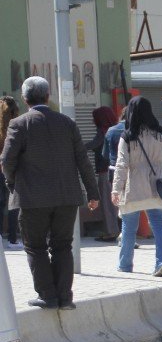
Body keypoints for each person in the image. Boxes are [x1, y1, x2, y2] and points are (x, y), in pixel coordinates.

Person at [1, 76, 99, 310]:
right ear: (48, 96)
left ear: (25, 99)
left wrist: (12, 184)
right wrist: (93, 193)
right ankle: (65, 297)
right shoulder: (67, 123)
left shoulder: (19, 124)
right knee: (63, 245)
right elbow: (83, 161)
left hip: (32, 198)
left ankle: (48, 296)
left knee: (35, 246)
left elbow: (6, 161)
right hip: (67, 197)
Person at [110, 96, 162, 276]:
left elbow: (121, 165)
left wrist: (116, 189)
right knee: (159, 226)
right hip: (158, 187)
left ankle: (125, 265)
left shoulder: (128, 136)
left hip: (134, 187)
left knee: (129, 228)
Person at [87, 106, 121, 242]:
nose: (92, 121)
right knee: (115, 203)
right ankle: (116, 230)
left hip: (105, 171)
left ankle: (111, 231)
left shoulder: (103, 132)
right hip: (115, 170)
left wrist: (76, 146)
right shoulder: (116, 129)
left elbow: (94, 144)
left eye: (94, 118)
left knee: (107, 203)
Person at [0, 95, 21, 249]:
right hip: (12, 168)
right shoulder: (16, 126)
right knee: (13, 203)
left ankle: (0, 237)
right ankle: (12, 239)